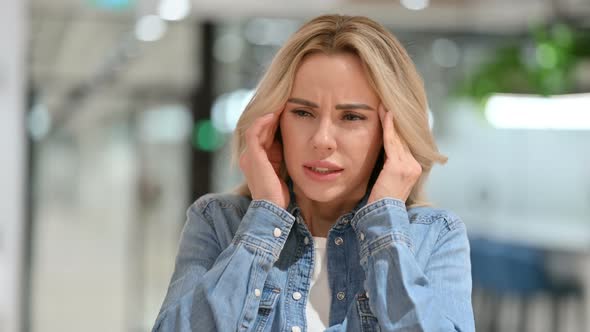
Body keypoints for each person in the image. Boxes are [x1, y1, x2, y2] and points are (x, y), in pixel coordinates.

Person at [152, 14, 475, 332]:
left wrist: (384, 228)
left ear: (394, 134)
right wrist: (264, 218)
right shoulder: (218, 220)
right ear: (275, 121)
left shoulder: (434, 235)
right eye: (303, 112)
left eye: (351, 117)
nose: (321, 140)